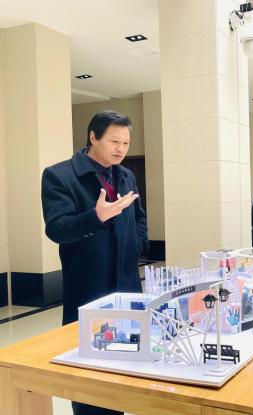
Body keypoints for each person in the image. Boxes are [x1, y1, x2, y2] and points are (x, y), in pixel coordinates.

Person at [42, 110, 148, 415]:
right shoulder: (60, 175)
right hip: (88, 290)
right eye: (114, 141)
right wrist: (96, 217)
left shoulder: (125, 175)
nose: (121, 149)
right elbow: (57, 229)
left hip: (127, 288)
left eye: (126, 143)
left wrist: (137, 245)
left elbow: (139, 219)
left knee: (125, 370)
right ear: (93, 137)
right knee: (90, 379)